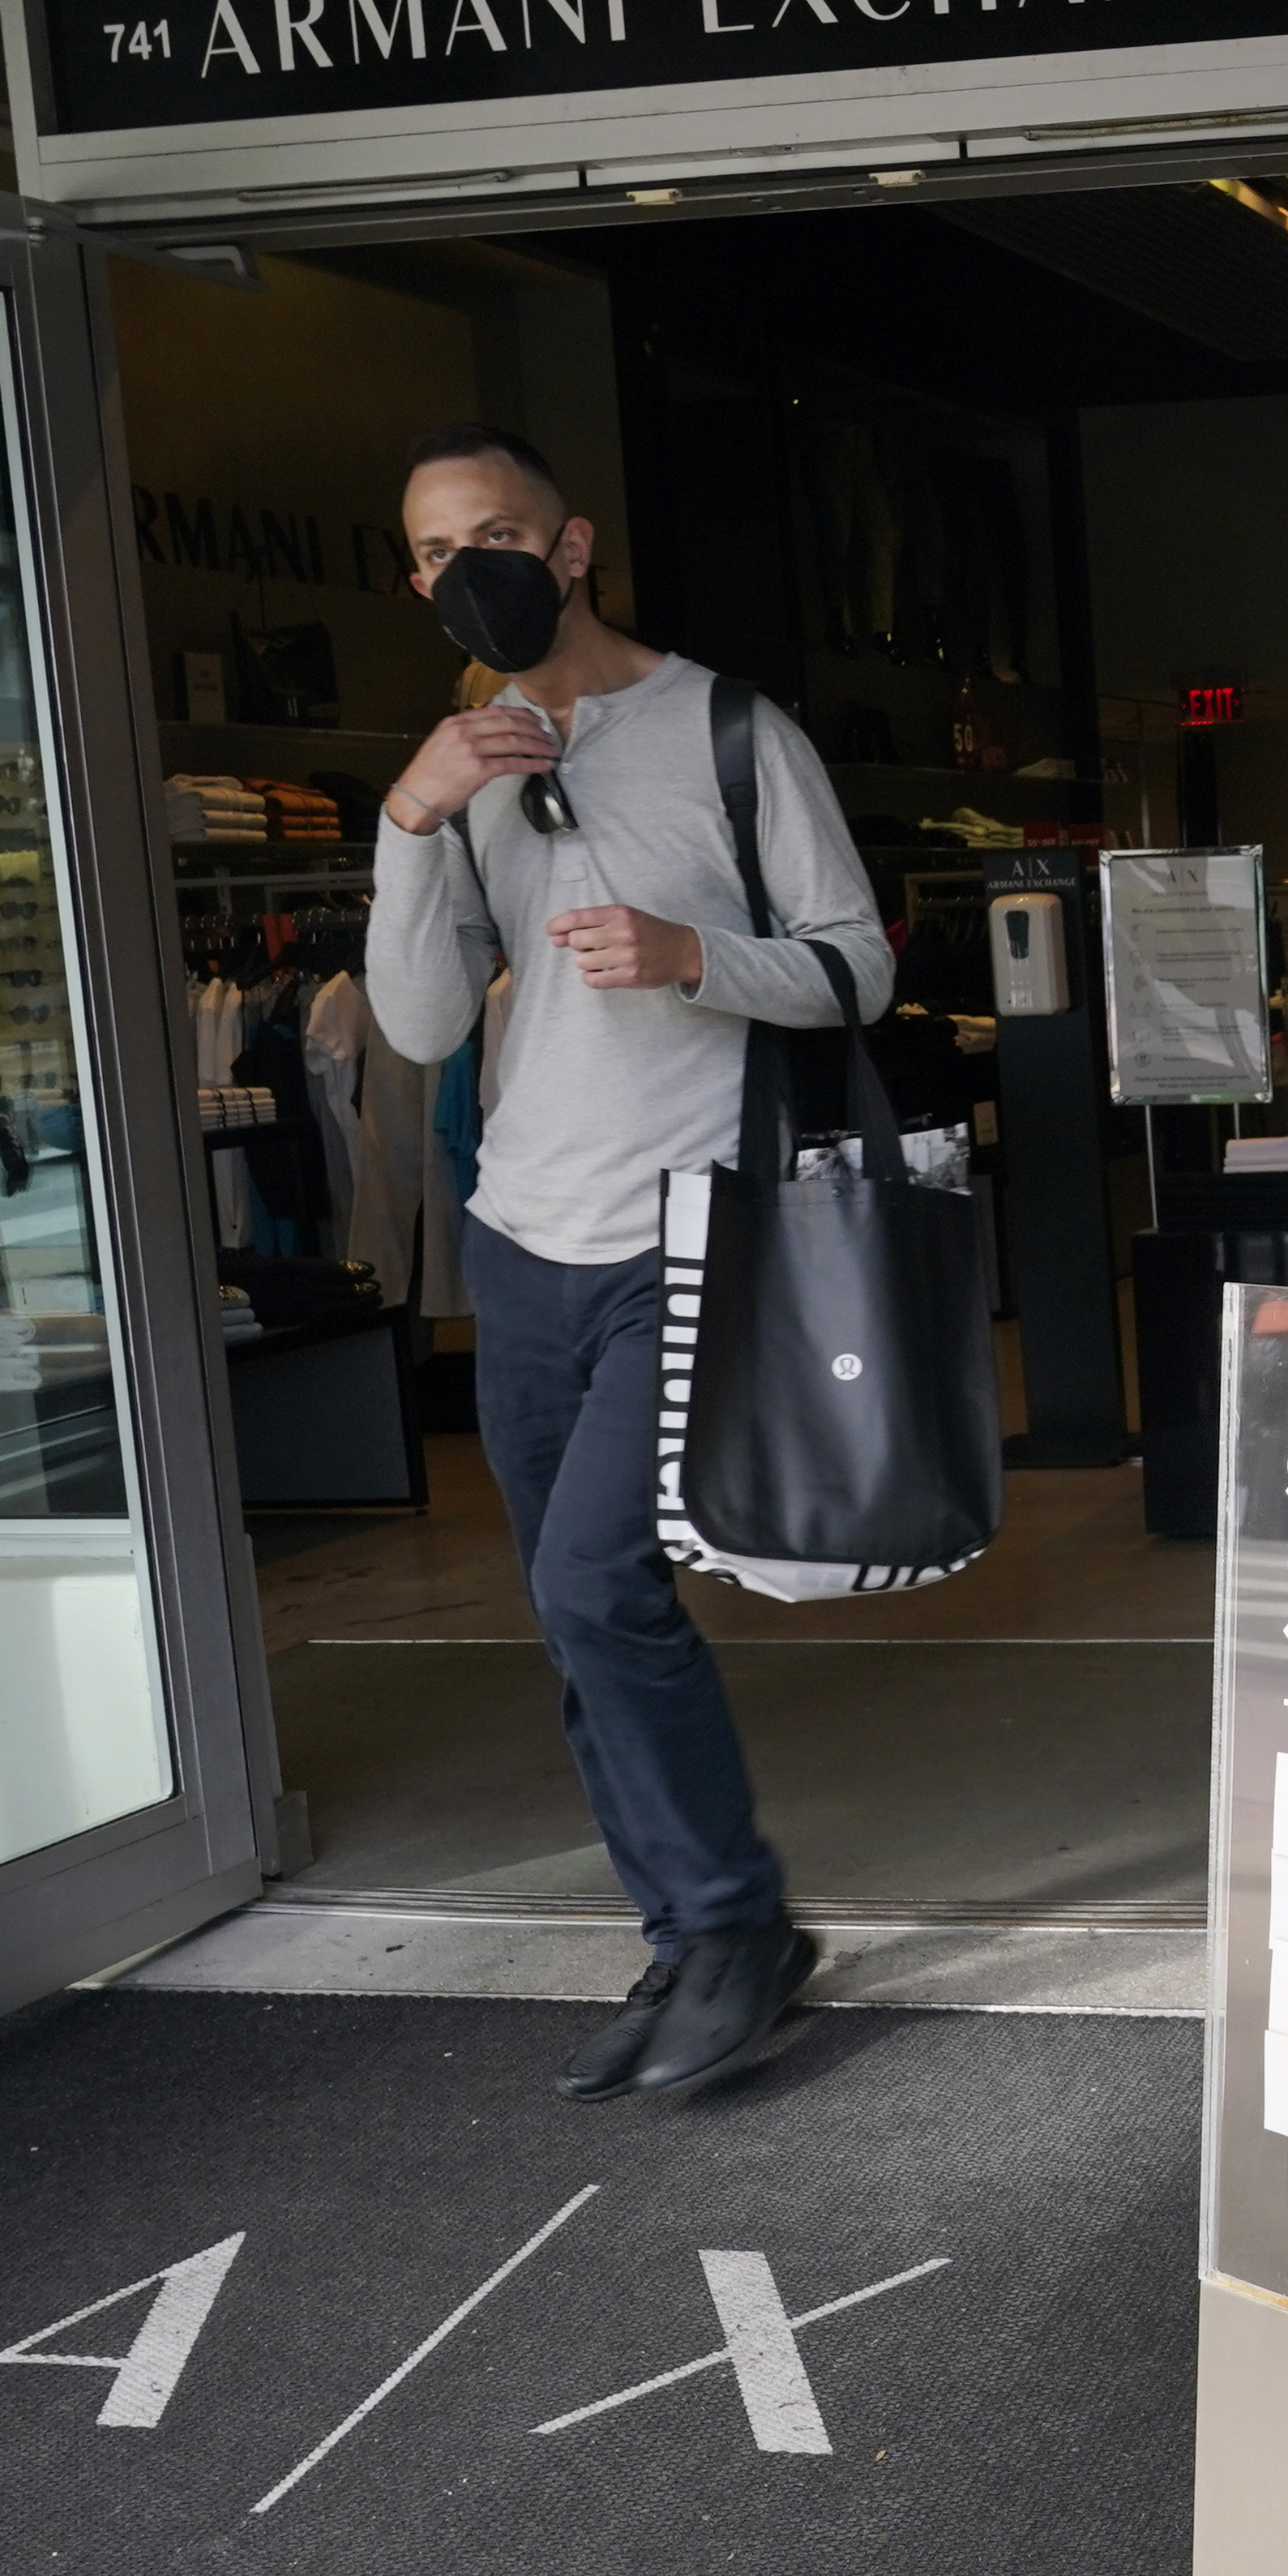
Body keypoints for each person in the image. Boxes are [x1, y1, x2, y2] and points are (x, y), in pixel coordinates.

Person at [365, 421, 892, 2100]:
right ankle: (681, 1931)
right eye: (435, 554)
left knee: (598, 1585)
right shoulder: (458, 768)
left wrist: (693, 957)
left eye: (495, 536)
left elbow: (861, 966)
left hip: (694, 1225)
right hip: (523, 1240)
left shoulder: (732, 731)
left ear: (572, 545)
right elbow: (417, 1026)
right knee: (569, 1610)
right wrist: (412, 814)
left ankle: (735, 1926)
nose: (468, 572)